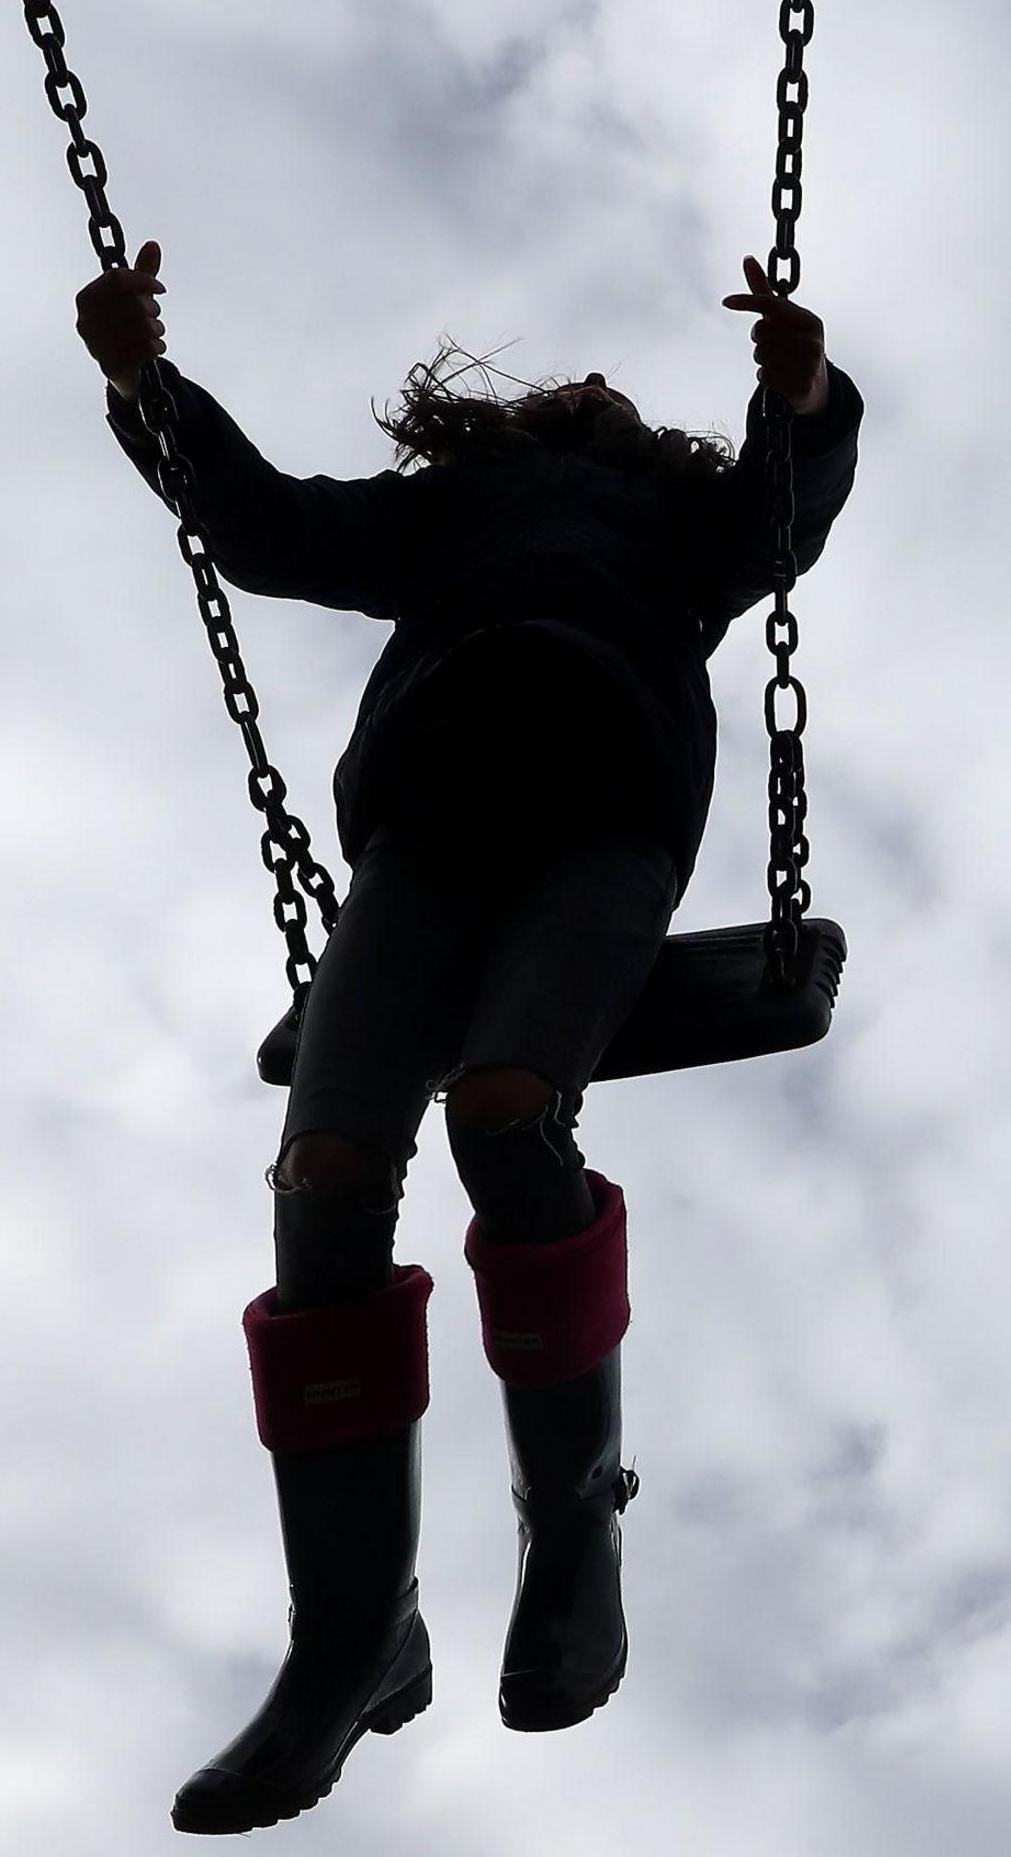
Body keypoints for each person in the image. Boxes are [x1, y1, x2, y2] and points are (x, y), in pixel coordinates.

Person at [73, 241, 861, 1829]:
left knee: (507, 1110)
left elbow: (787, 513)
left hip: (603, 811)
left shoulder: (683, 530)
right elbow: (271, 524)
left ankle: (573, 1529)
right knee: (326, 1172)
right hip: (425, 831)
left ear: (647, 437)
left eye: (612, 394)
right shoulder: (439, 518)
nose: (585, 389)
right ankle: (353, 1636)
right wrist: (145, 384)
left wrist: (799, 397)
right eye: (564, 390)